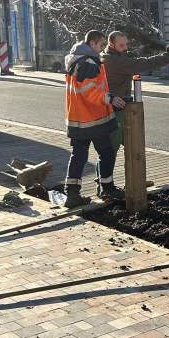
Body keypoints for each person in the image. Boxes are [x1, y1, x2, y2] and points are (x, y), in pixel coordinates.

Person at [63, 30, 126, 208]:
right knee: (106, 152)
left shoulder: (74, 60)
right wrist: (109, 99)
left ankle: (72, 194)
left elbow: (82, 90)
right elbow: (90, 91)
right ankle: (106, 188)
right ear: (91, 43)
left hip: (77, 118)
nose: (102, 48)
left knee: (79, 155)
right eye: (100, 45)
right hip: (92, 117)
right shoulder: (89, 63)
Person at [102, 31, 169, 152]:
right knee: (110, 153)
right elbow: (143, 64)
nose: (125, 48)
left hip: (118, 107)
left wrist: (147, 48)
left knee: (131, 146)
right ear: (111, 44)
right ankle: (107, 171)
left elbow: (133, 56)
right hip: (114, 111)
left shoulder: (111, 55)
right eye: (121, 45)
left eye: (126, 44)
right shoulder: (114, 61)